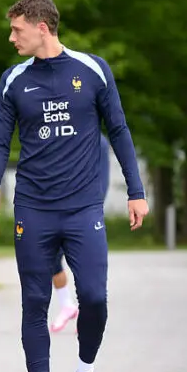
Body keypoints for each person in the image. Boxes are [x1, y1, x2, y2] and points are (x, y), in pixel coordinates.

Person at [0, 0, 149, 372]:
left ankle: (85, 371)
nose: (11, 36)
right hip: (32, 206)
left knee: (94, 297)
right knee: (34, 301)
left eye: (17, 29)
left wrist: (136, 189)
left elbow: (120, 129)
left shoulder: (92, 70)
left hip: (83, 205)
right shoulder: (13, 79)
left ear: (42, 28)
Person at [50, 133, 111, 333]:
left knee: (83, 266)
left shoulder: (98, 142)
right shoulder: (65, 134)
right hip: (58, 208)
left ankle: (87, 312)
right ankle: (66, 304)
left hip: (84, 212)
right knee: (51, 258)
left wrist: (90, 211)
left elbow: (102, 180)